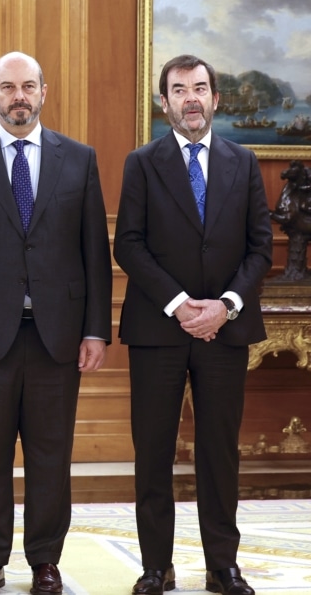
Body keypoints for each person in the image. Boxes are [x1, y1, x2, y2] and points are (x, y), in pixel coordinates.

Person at [0, 51, 111, 595]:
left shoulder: (79, 159)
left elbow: (94, 255)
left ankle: (45, 561)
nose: (19, 97)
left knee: (51, 456)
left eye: (28, 86)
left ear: (44, 92)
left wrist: (96, 329)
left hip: (59, 336)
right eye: (7, 88)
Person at [115, 54, 271, 595]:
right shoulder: (142, 162)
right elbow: (127, 245)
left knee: (218, 453)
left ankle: (221, 566)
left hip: (226, 330)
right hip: (159, 331)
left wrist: (224, 306)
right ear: (164, 103)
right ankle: (156, 567)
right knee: (153, 451)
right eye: (179, 90)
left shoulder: (243, 162)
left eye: (200, 88)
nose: (191, 98)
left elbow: (261, 249)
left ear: (216, 99)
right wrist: (181, 305)